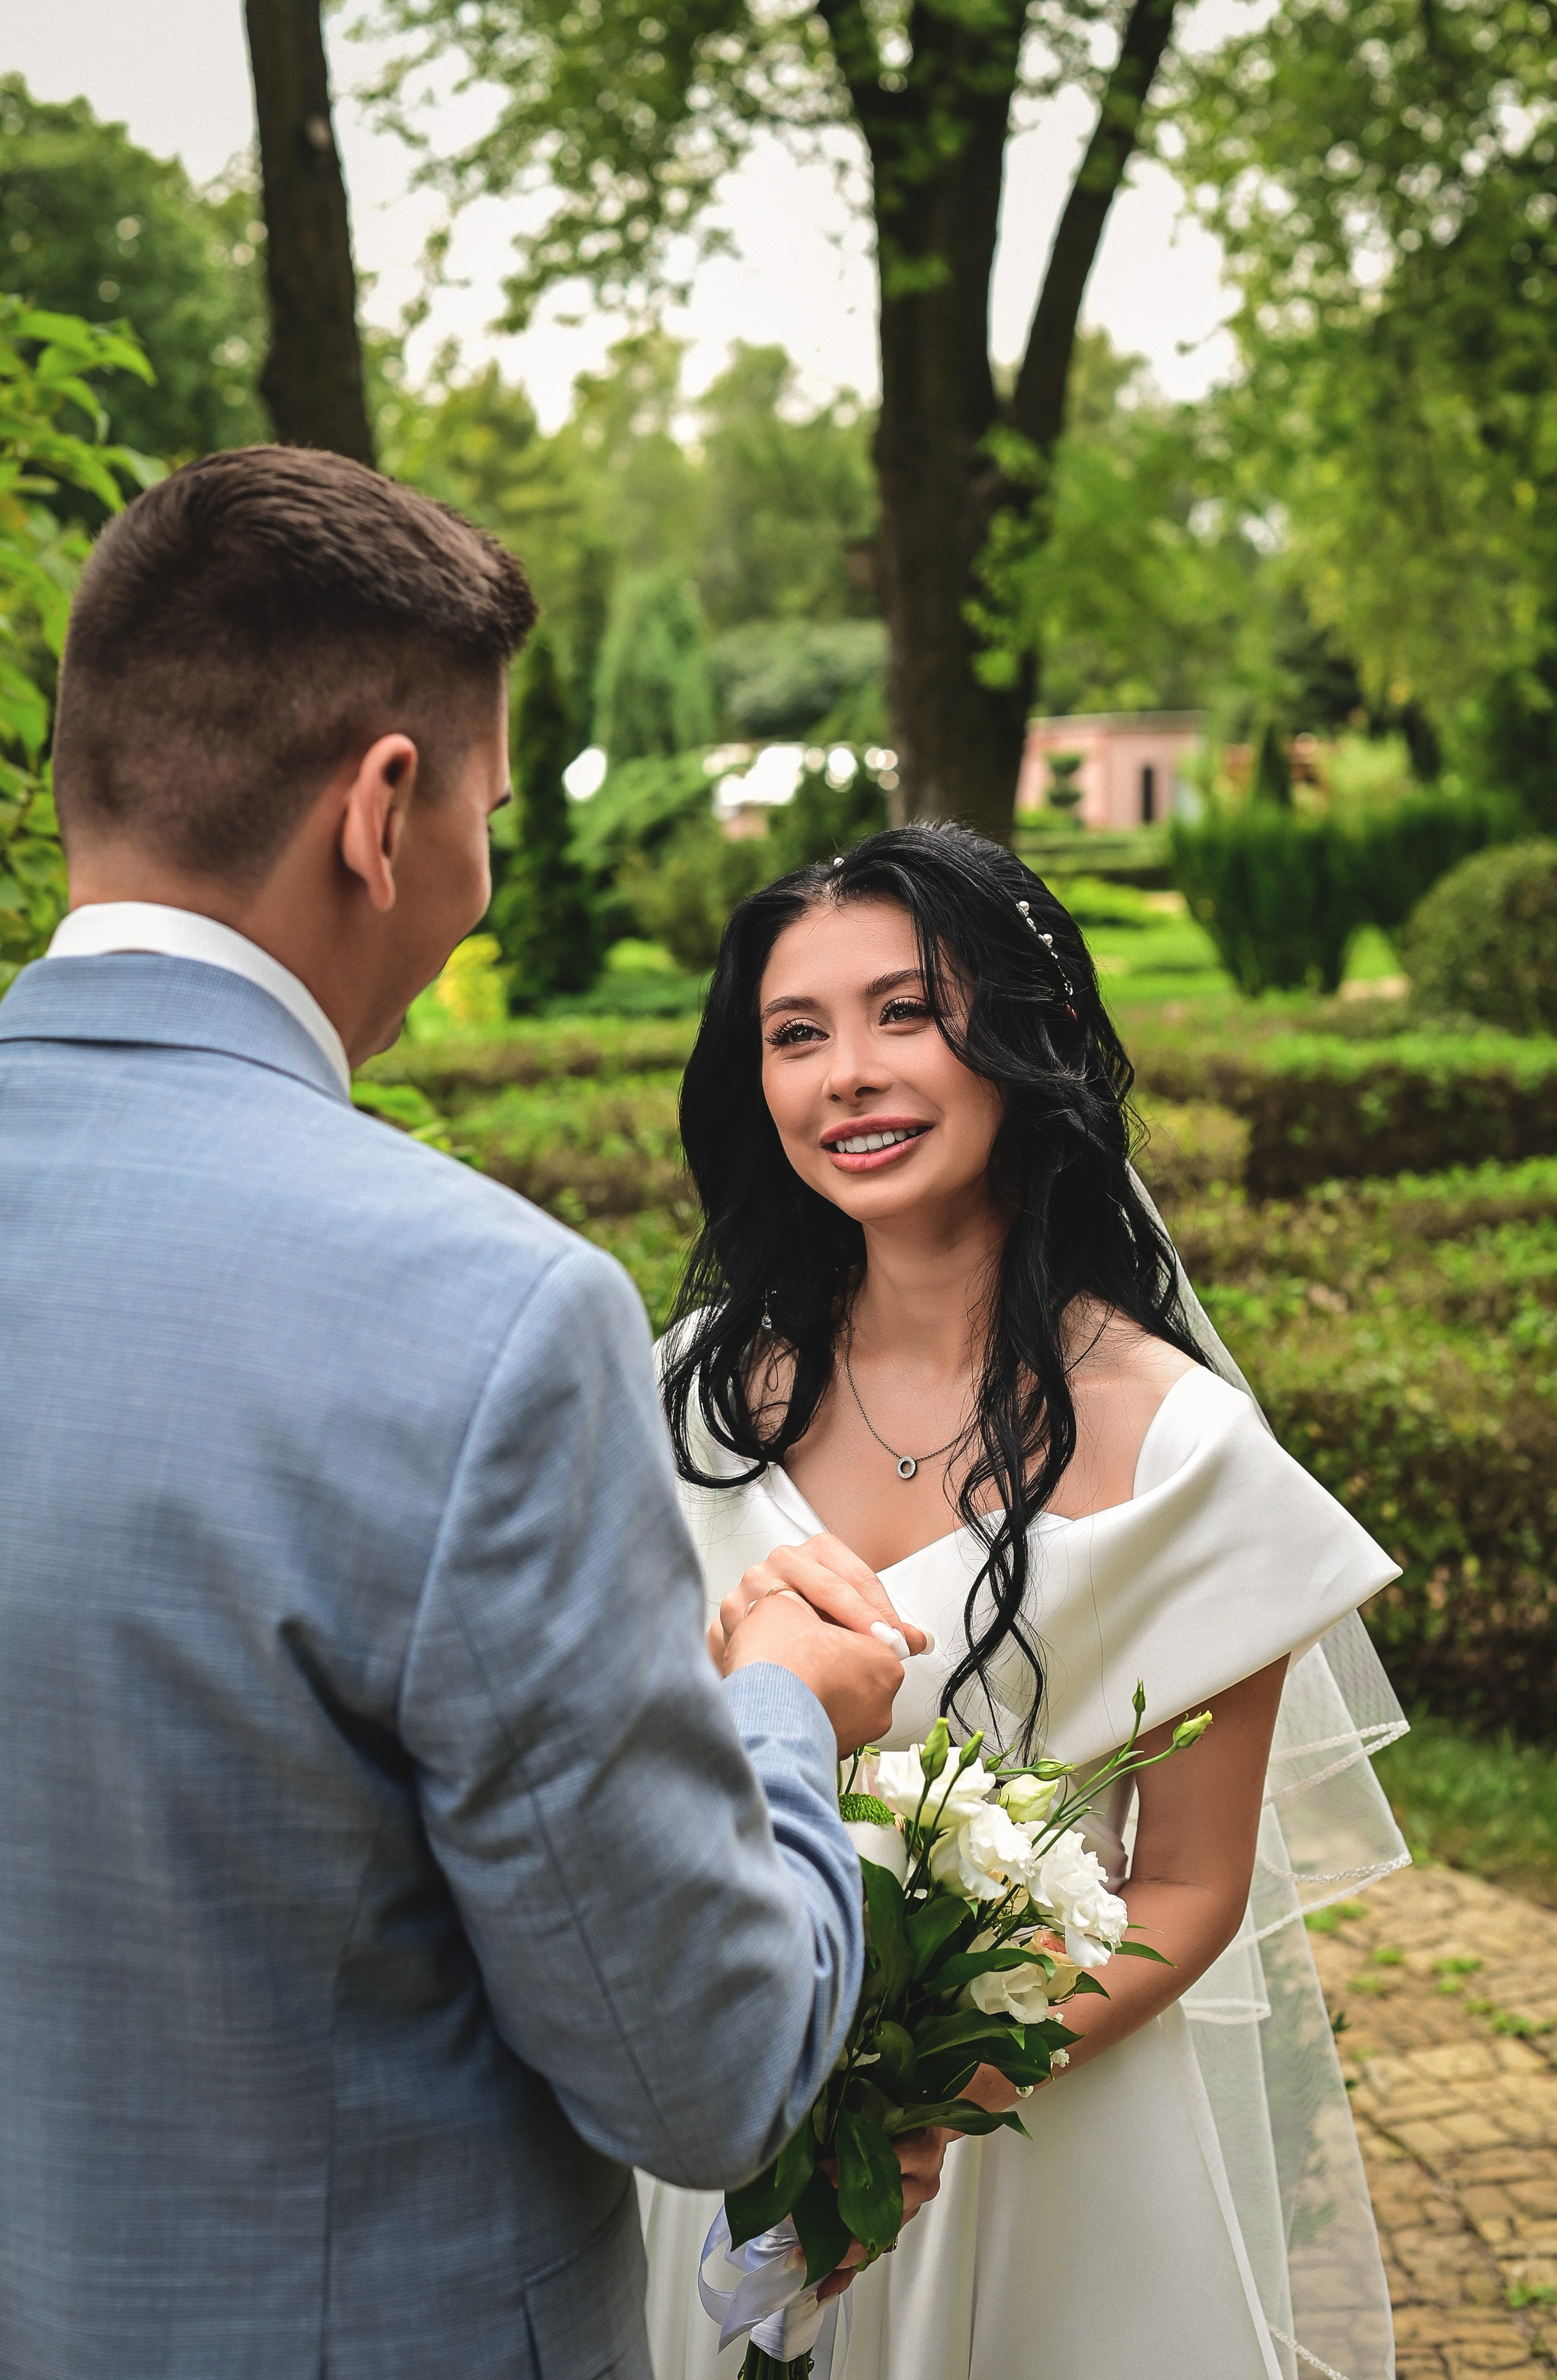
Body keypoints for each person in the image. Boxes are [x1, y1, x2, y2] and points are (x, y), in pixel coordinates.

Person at [0, 445, 933, 2380]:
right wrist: (778, 1709)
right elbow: (707, 2075)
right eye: (489, 816)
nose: (480, 889)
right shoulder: (484, 1318)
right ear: (385, 807)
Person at [639, 824, 1412, 2380]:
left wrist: (908, 2102)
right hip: (717, 2124)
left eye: (905, 1012)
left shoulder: (1177, 1453)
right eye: (796, 1034)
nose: (844, 1072)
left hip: (1032, 2150)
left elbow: (1187, 1889)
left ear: (1023, 1040)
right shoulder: (691, 1403)